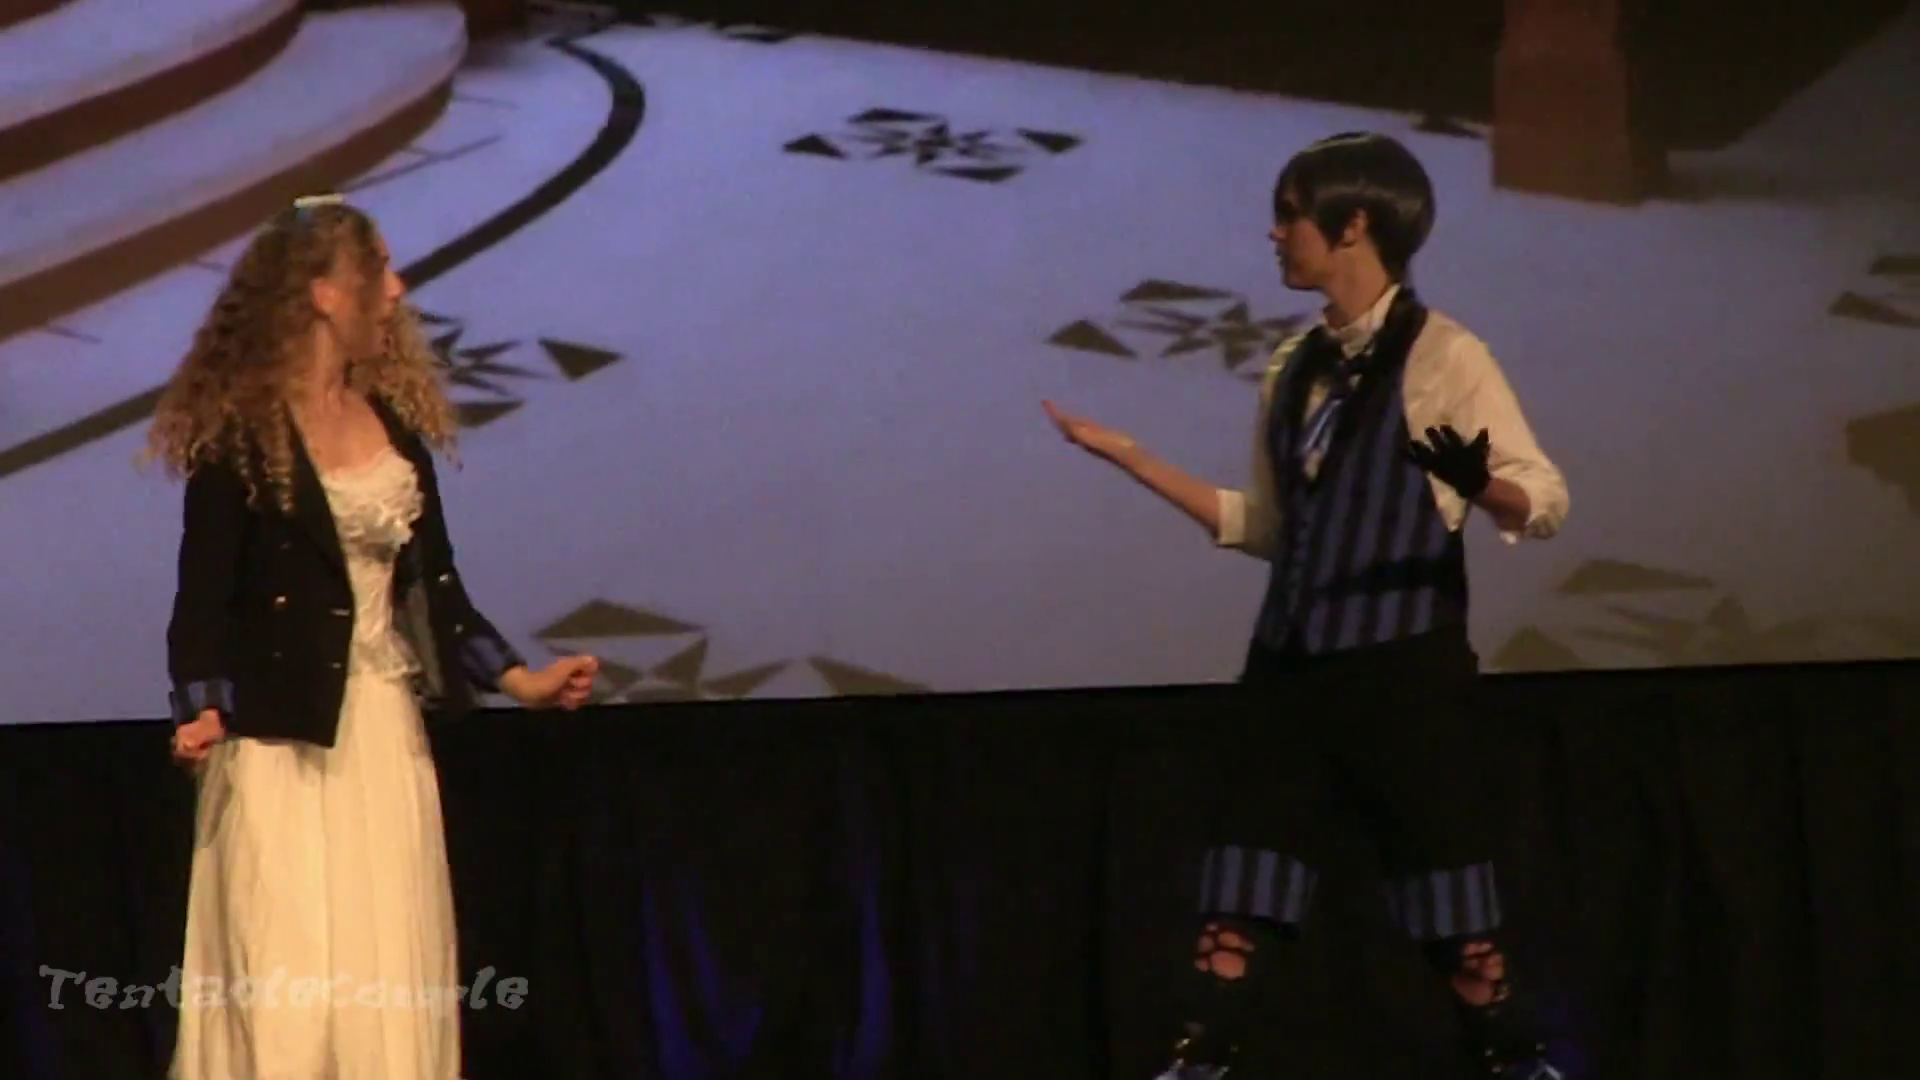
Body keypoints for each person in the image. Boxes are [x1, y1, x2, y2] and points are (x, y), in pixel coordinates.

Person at [1044, 132, 1570, 1078]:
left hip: (1405, 673)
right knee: (1237, 902)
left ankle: (1517, 1062)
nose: (1276, 234)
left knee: (1458, 921)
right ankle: (1198, 1063)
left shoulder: (1445, 356)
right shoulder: (1293, 363)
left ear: (1353, 224)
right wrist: (1132, 459)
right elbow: (1274, 527)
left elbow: (1543, 500)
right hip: (1288, 670)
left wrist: (1480, 484)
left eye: (1290, 216)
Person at [146, 194, 600, 1079]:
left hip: (382, 740)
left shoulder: (391, 428)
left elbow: (436, 592)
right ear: (323, 291)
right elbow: (201, 606)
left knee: (384, 971)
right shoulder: (242, 441)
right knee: (288, 977)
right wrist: (201, 710)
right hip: (280, 747)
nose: (396, 289)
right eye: (378, 269)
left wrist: (520, 680)